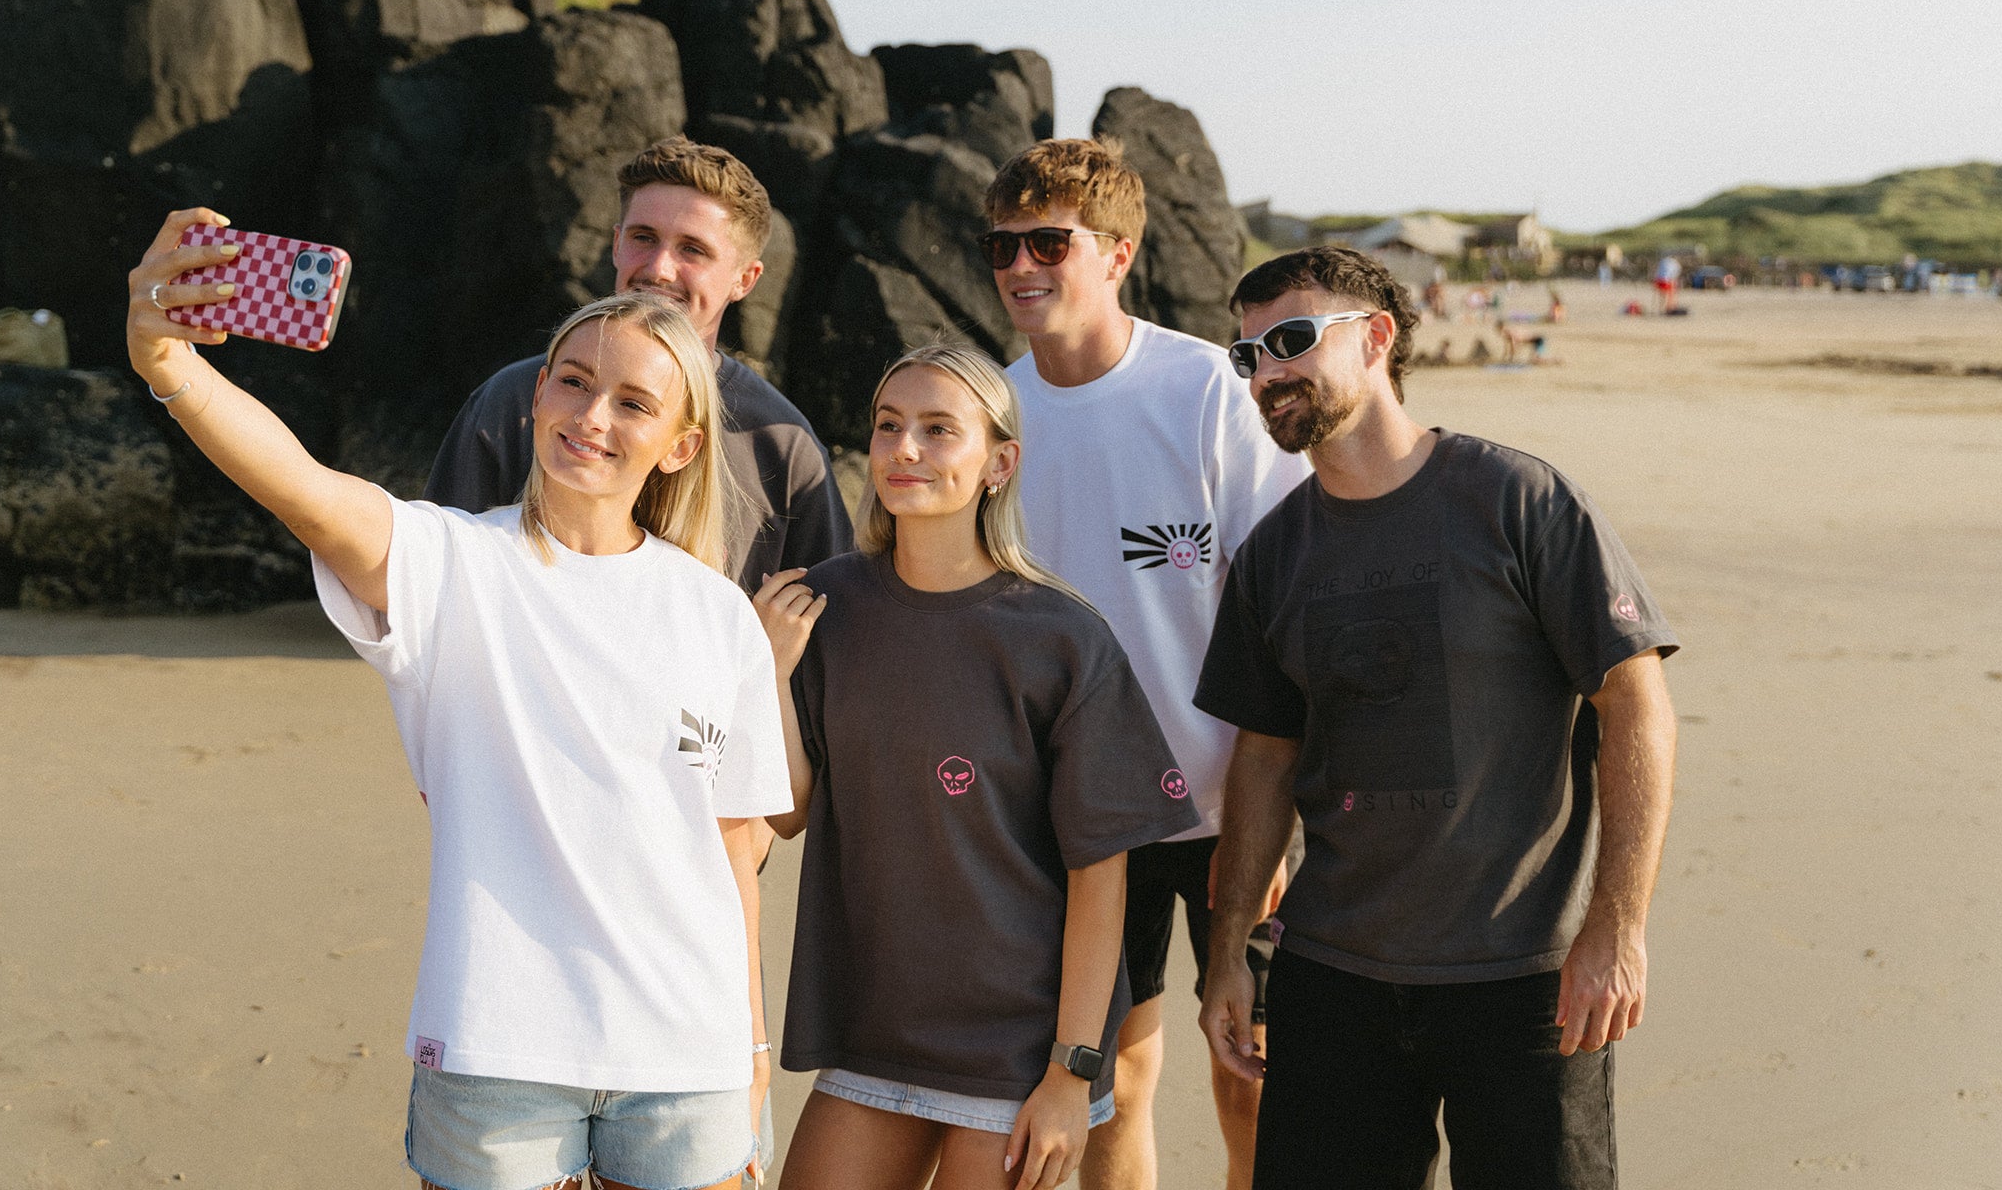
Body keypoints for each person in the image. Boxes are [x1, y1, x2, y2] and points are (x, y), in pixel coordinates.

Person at [126, 210, 789, 1190]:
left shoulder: (718, 616)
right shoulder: (449, 561)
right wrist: (164, 358)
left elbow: (734, 853)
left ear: (682, 445)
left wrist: (751, 1049)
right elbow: (299, 483)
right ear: (534, 400)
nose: (592, 416)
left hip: (686, 1058)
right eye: (572, 380)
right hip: (498, 1049)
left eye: (632, 402)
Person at [1193, 246, 1679, 1190]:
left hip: (1526, 975)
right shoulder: (1271, 556)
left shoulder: (1516, 500)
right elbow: (1262, 759)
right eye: (1247, 355)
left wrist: (1617, 927)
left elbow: (1638, 707)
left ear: (1376, 339)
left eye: (1292, 340)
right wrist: (1230, 954)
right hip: (1334, 977)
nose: (1268, 373)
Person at [753, 343, 1199, 1190]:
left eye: (936, 430)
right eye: (888, 426)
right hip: (872, 1023)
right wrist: (770, 675)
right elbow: (787, 811)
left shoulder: (1064, 638)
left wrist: (1070, 1073)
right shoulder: (823, 608)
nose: (904, 449)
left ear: (1000, 462)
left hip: (1017, 1046)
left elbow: (1102, 881)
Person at [981, 139, 1308, 1190]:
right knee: (1109, 1072)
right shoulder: (990, 409)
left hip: (1226, 809)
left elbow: (1280, 612)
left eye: (1048, 241)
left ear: (1117, 253)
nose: (1021, 265)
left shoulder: (1209, 389)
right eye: (1002, 245)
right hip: (1076, 818)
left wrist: (1271, 817)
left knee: (1249, 1060)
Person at [427, 136, 851, 591]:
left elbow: (829, 629)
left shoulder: (783, 446)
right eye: (643, 238)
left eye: (693, 250)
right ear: (615, 244)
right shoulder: (510, 403)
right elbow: (437, 582)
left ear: (744, 279)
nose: (659, 268)